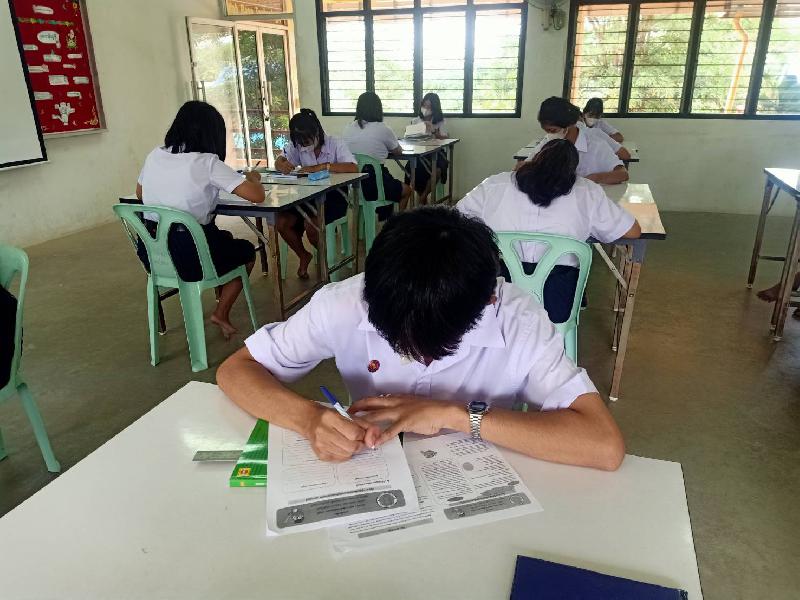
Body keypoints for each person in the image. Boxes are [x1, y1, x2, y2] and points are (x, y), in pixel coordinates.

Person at [218, 207, 625, 471]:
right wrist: (308, 419)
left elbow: (603, 444)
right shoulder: (345, 302)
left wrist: (454, 415)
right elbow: (236, 371)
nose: (412, 357)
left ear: (488, 300)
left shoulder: (519, 321)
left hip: (478, 474)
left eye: (433, 345)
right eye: (396, 339)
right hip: (373, 466)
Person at [458, 139, 640, 323]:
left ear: (536, 158)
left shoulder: (495, 184)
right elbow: (633, 231)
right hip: (556, 303)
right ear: (573, 169)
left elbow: (455, 219)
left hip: (498, 294)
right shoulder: (587, 191)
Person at [136, 101, 265, 338]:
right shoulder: (207, 163)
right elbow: (257, 196)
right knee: (246, 252)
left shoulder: (155, 155)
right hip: (191, 257)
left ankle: (217, 294)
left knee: (223, 238)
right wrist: (254, 178)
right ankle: (221, 312)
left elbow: (140, 194)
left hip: (154, 256)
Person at [275, 109, 358, 279]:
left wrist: (322, 167)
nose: (304, 145)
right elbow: (281, 159)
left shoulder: (335, 143)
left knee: (311, 225)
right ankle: (304, 255)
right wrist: (280, 164)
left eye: (307, 140)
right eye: (300, 142)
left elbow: (353, 168)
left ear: (317, 132)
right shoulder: (297, 145)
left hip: (334, 196)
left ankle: (327, 259)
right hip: (306, 196)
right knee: (281, 222)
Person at [523, 97, 628, 185]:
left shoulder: (595, 145)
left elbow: (622, 174)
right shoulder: (548, 143)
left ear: (569, 124)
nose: (550, 135)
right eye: (547, 131)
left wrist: (596, 178)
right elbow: (523, 167)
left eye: (553, 130)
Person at [343, 92, 413, 217]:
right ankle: (396, 225)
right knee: (407, 191)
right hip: (374, 184)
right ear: (378, 109)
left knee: (389, 183)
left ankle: (373, 222)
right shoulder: (383, 128)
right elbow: (398, 151)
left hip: (354, 187)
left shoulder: (348, 128)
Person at [405, 92, 449, 205]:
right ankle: (421, 198)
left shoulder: (440, 121)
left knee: (438, 169)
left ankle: (423, 197)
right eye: (424, 106)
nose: (426, 109)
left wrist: (433, 130)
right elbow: (409, 138)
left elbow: (445, 137)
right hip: (419, 153)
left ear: (434, 108)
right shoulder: (415, 121)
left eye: (429, 107)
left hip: (436, 153)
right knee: (411, 168)